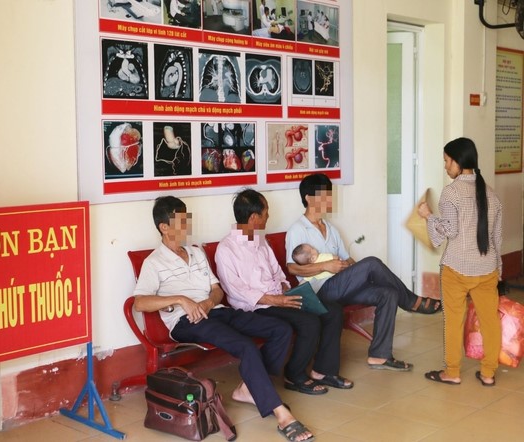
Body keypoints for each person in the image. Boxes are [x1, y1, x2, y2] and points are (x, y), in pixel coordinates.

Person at [134, 196, 315, 442]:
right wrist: (181, 300)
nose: (187, 226)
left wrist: (209, 302)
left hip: (216, 311)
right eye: (180, 221)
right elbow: (140, 302)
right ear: (164, 227)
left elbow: (217, 290)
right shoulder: (154, 262)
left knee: (280, 329)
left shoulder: (196, 253)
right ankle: (282, 415)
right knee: (245, 346)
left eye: (187, 220)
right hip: (187, 322)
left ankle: (249, 388)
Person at [286, 173, 442, 372]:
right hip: (319, 291)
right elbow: (292, 268)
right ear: (309, 198)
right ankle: (411, 301)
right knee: (372, 263)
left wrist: (354, 271)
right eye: (324, 195)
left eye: (329, 195)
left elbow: (348, 259)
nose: (329, 199)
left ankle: (380, 355)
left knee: (388, 293)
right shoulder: (298, 229)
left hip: (340, 286)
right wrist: (325, 266)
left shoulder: (331, 229)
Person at [215, 189, 354, 397]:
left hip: (279, 298)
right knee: (309, 322)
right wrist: (276, 300)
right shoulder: (226, 249)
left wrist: (287, 289)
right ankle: (294, 375)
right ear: (253, 218)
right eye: (265, 212)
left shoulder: (261, 241)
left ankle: (324, 371)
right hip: (258, 306)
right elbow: (236, 290)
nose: (268, 216)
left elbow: (277, 272)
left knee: (332, 311)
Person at [418, 137, 502, 386]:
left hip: (457, 268)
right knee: (490, 321)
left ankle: (452, 372)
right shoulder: (490, 193)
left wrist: (428, 216)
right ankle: (488, 373)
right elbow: (496, 237)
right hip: (487, 268)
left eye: (447, 161)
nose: (445, 166)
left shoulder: (451, 192)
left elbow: (449, 231)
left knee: (454, 321)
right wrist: (498, 269)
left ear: (457, 161)